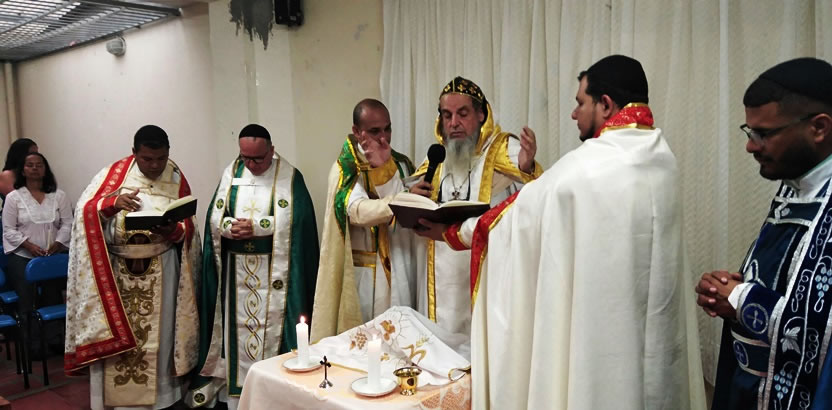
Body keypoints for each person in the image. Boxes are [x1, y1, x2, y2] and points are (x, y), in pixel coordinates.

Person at [421, 55, 706, 408]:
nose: (573, 113)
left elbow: (514, 219)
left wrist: (449, 233)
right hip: (652, 328)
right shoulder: (663, 159)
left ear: (605, 105)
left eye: (580, 103)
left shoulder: (583, 168)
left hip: (600, 339)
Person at [697, 58, 832, 409]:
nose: (751, 146)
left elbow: (824, 331)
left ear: (819, 127)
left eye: (764, 134)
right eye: (750, 131)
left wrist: (742, 298)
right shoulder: (797, 184)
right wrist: (732, 289)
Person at [64, 125, 201, 409]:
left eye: (161, 158)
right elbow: (84, 214)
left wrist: (174, 231)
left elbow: (189, 227)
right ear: (134, 153)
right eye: (147, 159)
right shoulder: (113, 175)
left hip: (162, 270)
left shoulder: (175, 176)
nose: (155, 166)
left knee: (161, 339)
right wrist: (111, 204)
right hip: (118, 273)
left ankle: (162, 400)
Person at [187, 124, 319, 409]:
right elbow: (214, 218)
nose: (251, 165)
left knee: (270, 333)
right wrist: (228, 227)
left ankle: (271, 396)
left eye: (258, 158)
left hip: (274, 273)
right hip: (235, 274)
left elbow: (299, 222)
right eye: (245, 157)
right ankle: (236, 398)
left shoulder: (289, 177)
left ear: (272, 151)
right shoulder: (231, 173)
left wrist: (258, 227)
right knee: (236, 332)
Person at [406, 76, 542, 337]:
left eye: (462, 113)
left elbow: (534, 185)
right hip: (440, 275)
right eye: (447, 115)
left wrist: (527, 165)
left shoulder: (501, 148)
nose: (453, 123)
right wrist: (412, 196)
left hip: (483, 267)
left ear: (481, 114)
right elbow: (413, 189)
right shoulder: (438, 155)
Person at [311, 99, 416, 342]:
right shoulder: (346, 168)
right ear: (357, 131)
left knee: (404, 338)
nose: (384, 137)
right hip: (367, 274)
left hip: (401, 262)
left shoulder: (401, 163)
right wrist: (403, 200)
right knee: (369, 344)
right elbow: (357, 211)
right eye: (375, 131)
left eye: (388, 128)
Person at [2, 152, 72, 357]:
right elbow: (8, 229)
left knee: (52, 296)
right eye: (30, 165)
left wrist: (58, 243)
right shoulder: (14, 198)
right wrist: (29, 245)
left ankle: (55, 340)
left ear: (45, 169)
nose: (34, 168)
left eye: (39, 165)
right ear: (23, 170)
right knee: (27, 300)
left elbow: (68, 223)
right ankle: (32, 345)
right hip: (23, 256)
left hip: (52, 256)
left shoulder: (59, 196)